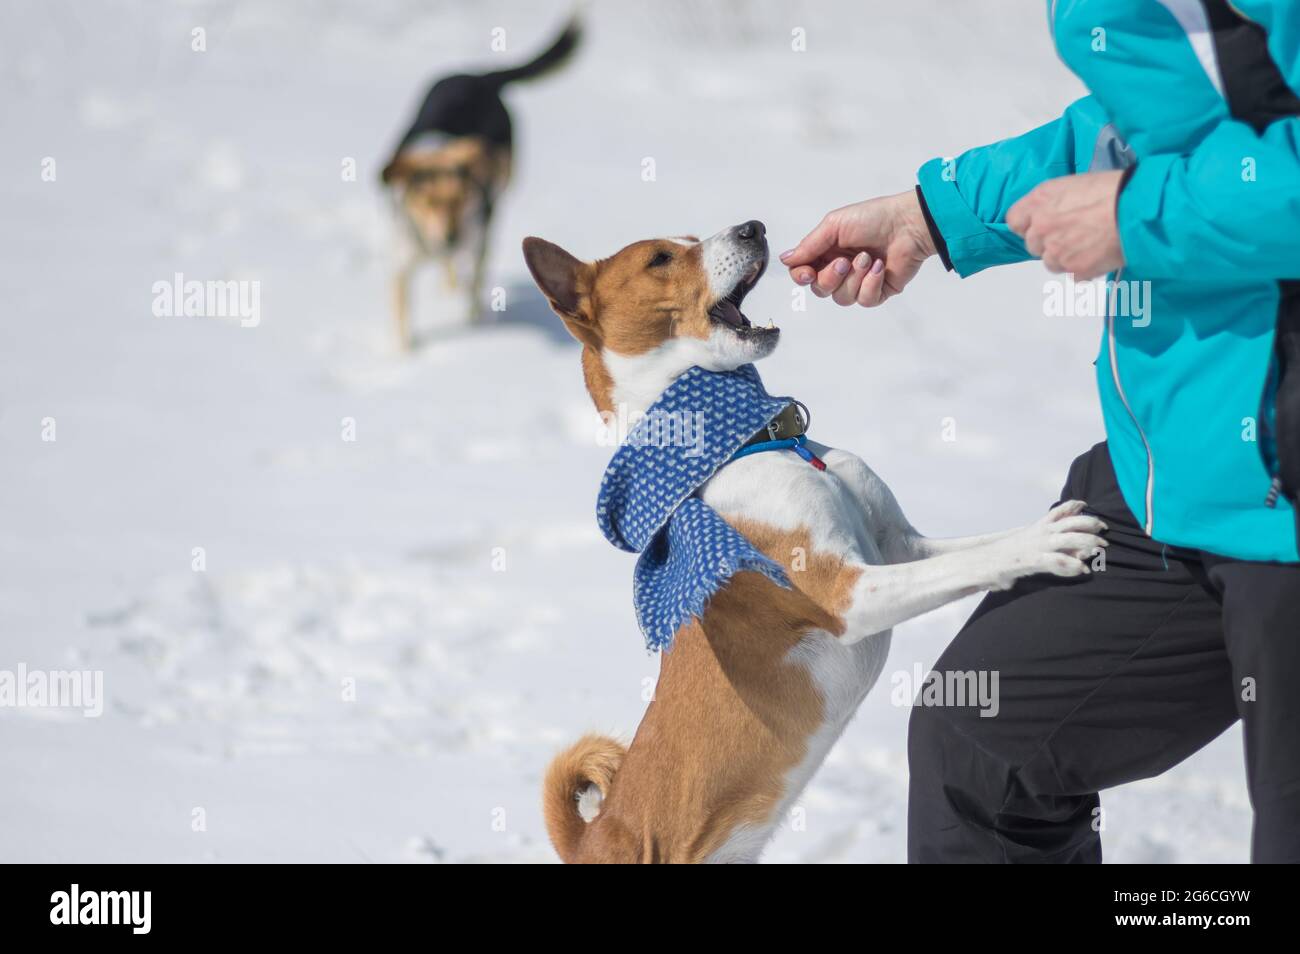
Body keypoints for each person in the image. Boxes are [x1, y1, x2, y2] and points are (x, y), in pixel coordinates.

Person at [781, 0, 1300, 863]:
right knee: (982, 749)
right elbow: (1167, 119)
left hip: (1283, 504)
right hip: (1171, 476)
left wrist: (1139, 217)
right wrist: (938, 214)